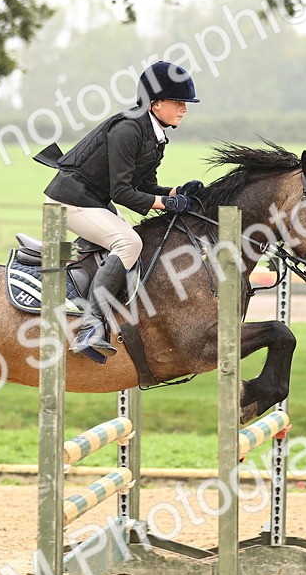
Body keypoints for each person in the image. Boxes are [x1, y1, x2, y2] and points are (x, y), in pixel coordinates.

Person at [39, 60, 205, 360]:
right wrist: (166, 204)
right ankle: (91, 325)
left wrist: (174, 192)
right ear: (155, 104)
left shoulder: (153, 134)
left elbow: (142, 186)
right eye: (178, 101)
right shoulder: (128, 130)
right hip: (70, 200)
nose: (185, 109)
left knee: (131, 239)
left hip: (92, 200)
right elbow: (123, 192)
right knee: (128, 242)